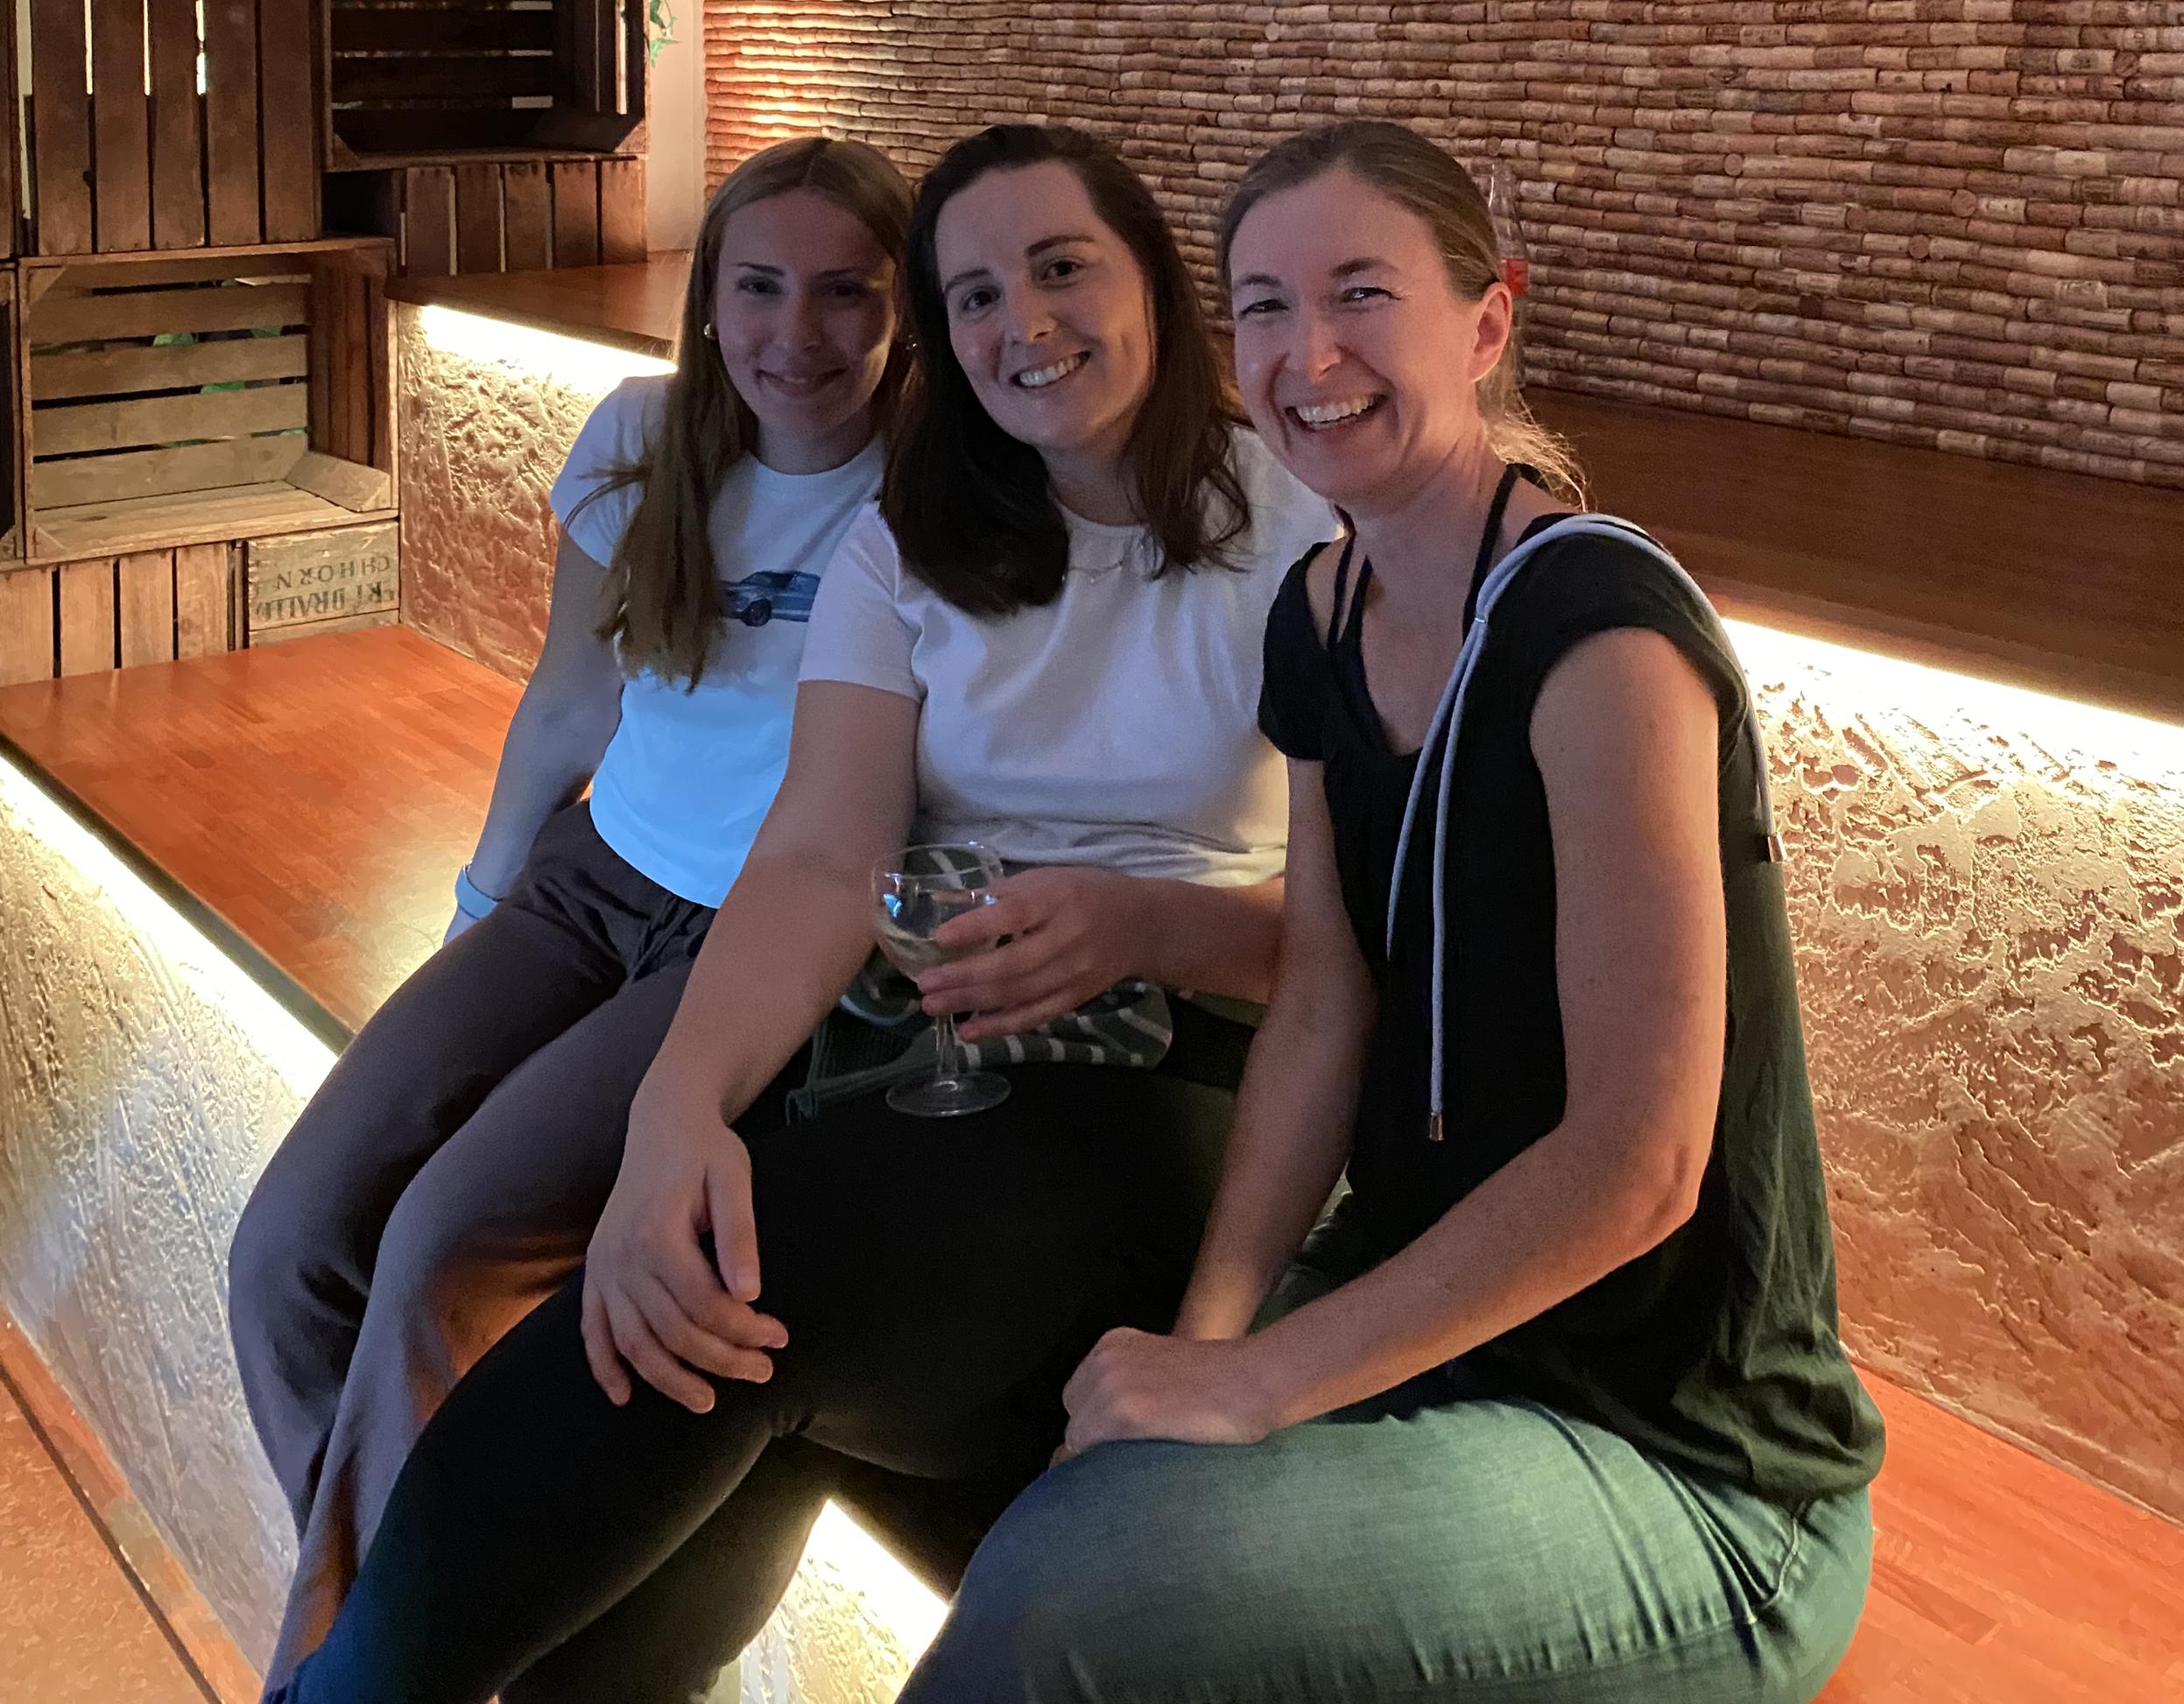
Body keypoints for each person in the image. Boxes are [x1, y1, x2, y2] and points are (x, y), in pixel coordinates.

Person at [264, 120, 1338, 1704]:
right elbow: (823, 859)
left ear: (1155, 285)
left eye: (1061, 268)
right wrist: (676, 1108)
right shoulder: (911, 537)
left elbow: (1371, 932)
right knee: (662, 1361)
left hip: (1181, 1065)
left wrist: (1148, 928)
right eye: (977, 293)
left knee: (722, 1310)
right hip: (921, 1034)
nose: (1023, 322)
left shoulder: (1305, 532)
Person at [898, 119, 1884, 1704]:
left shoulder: (1600, 635)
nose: (1308, 355)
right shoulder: (1323, 606)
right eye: (1265, 307)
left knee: (1062, 1603)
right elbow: (1321, 999)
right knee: (1071, 1484)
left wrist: (1257, 1385)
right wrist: (1214, 1342)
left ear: (1485, 322)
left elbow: (1640, 1163)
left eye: (1360, 293)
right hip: (1431, 1311)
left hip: (1687, 1454)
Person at [230, 134, 913, 1687]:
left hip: (757, 936)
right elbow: (566, 699)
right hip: (588, 876)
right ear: (708, 297)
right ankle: (422, 1628)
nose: (796, 333)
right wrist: (480, 899)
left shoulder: (937, 495)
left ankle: (348, 1671)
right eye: (759, 286)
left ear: (905, 311)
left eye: (847, 292)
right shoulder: (637, 436)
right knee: (288, 1246)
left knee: (444, 1252)